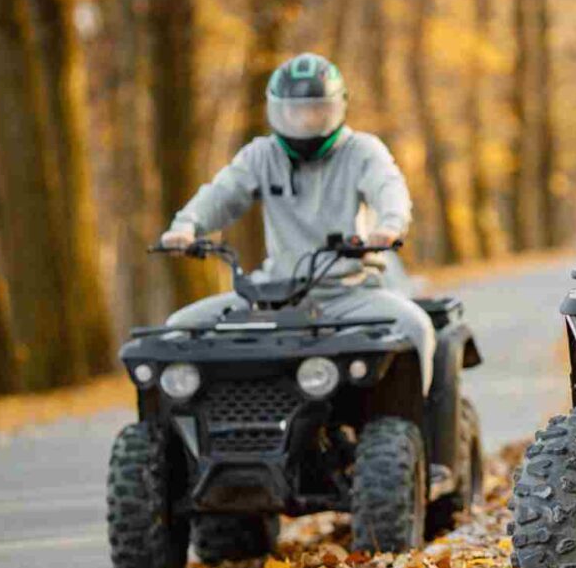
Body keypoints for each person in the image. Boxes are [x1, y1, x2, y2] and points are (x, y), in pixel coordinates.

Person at [159, 52, 437, 392]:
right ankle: (177, 437)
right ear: (277, 111)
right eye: (295, 111)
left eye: (316, 110)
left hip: (348, 293)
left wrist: (389, 226)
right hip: (272, 293)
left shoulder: (362, 150)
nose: (305, 121)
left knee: (416, 326)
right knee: (179, 329)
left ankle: (421, 427)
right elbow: (222, 193)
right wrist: (185, 227)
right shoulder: (262, 155)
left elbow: (388, 186)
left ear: (336, 108)